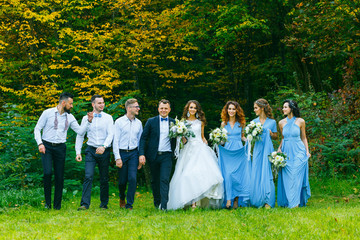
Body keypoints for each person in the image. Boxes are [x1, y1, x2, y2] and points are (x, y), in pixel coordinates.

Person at [34, 92, 93, 210]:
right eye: (70, 104)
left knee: (59, 177)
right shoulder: (47, 113)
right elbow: (37, 129)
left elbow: (80, 132)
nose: (72, 106)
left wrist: (88, 121)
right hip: (47, 146)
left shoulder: (69, 117)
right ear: (63, 102)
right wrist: (40, 143)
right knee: (47, 173)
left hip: (60, 148)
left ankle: (57, 206)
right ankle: (47, 203)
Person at [167, 100, 223, 210]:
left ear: (197, 110)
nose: (192, 109)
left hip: (200, 149)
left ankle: (195, 203)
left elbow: (202, 136)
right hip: (188, 150)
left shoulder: (200, 122)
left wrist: (206, 143)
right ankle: (188, 201)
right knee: (187, 175)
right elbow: (182, 137)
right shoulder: (183, 123)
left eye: (194, 108)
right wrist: (181, 138)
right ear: (187, 109)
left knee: (199, 175)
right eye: (191, 107)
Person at [75, 95, 114, 210]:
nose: (102, 105)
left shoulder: (108, 118)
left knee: (104, 178)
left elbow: (111, 134)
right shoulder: (85, 118)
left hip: (104, 151)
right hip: (91, 150)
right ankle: (84, 204)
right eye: (99, 103)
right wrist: (78, 152)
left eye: (103, 102)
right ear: (93, 104)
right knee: (88, 176)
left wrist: (104, 146)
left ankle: (104, 204)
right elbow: (80, 135)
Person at [138, 99, 175, 210]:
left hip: (167, 155)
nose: (163, 110)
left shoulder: (174, 123)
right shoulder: (151, 121)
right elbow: (144, 138)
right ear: (158, 109)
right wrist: (141, 154)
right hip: (153, 155)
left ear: (169, 110)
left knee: (164, 179)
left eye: (166, 108)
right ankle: (157, 202)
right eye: (162, 108)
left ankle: (164, 205)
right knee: (155, 180)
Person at [277, 99, 311, 208]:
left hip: (299, 150)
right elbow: (283, 138)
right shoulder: (281, 123)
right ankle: (291, 200)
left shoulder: (301, 121)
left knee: (296, 174)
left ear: (291, 108)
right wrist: (279, 149)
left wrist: (307, 151)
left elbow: (304, 138)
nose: (283, 109)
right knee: (288, 177)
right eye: (283, 107)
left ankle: (295, 203)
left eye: (285, 107)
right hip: (287, 151)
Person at [218, 101, 250, 209]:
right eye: (229, 109)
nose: (231, 111)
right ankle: (228, 200)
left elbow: (242, 137)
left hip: (238, 151)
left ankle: (236, 200)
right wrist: (217, 141)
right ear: (226, 110)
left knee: (237, 176)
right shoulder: (223, 124)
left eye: (233, 109)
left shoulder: (241, 123)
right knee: (228, 175)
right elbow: (222, 139)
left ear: (237, 110)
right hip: (227, 151)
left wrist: (248, 141)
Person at [113, 98, 143, 210]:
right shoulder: (119, 122)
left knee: (133, 178)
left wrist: (140, 156)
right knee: (122, 181)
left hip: (134, 154)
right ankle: (122, 197)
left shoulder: (139, 123)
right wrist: (117, 158)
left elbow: (140, 141)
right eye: (136, 107)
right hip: (122, 153)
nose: (138, 108)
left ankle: (129, 204)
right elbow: (115, 140)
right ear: (129, 108)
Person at [249, 98, 277, 208]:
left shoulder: (272, 122)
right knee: (256, 171)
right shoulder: (254, 122)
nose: (254, 110)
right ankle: (257, 200)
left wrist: (271, 134)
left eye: (256, 108)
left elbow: (276, 136)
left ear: (262, 108)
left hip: (268, 149)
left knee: (267, 172)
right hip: (258, 149)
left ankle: (268, 201)